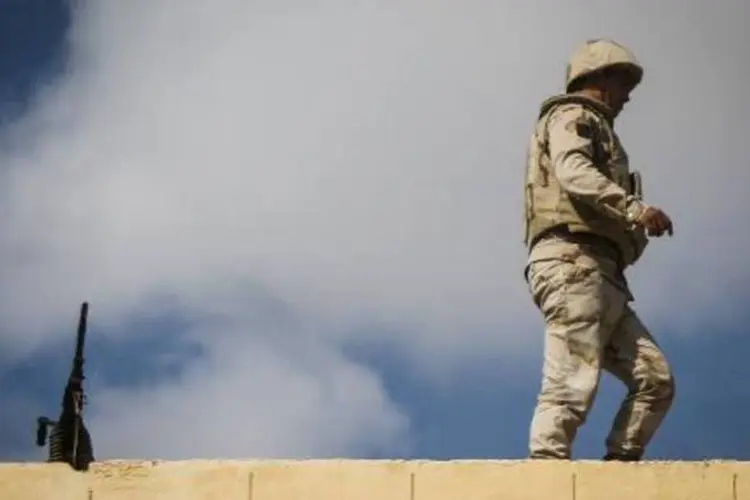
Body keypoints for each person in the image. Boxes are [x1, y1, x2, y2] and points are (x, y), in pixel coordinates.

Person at [522, 38, 676, 461]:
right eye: (623, 83)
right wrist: (634, 208)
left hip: (602, 273)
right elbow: (573, 171)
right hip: (574, 262)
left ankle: (618, 471)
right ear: (601, 78)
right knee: (570, 383)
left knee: (654, 380)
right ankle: (546, 475)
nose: (627, 97)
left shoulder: (597, 126)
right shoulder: (574, 116)